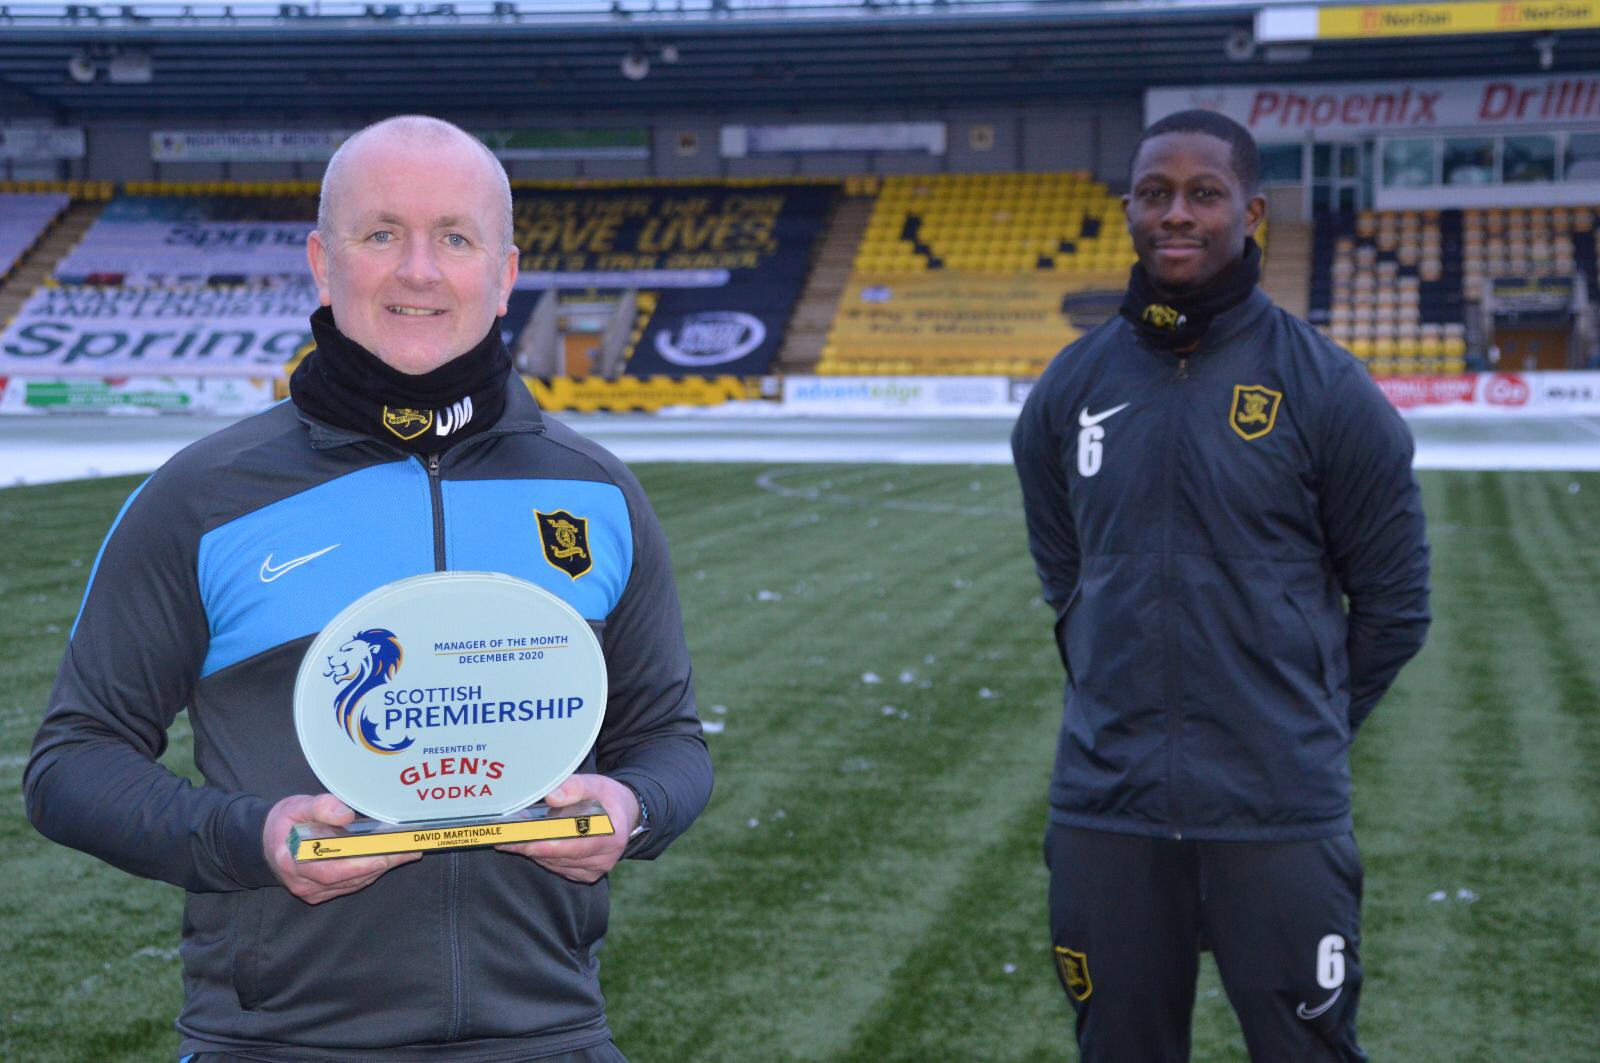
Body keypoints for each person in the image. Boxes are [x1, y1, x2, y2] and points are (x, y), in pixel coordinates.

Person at [24, 115, 712, 1062]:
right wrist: (247, 836)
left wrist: (633, 810)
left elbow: (670, 741)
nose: (419, 270)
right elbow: (71, 765)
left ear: (505, 273)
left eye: (456, 238)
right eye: (381, 233)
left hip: (550, 1035)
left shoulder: (594, 494)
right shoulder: (204, 495)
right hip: (277, 1042)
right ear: (321, 261)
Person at [1011, 110, 1430, 1062]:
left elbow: (1396, 608)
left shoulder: (1327, 390)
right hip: (1105, 807)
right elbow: (1067, 575)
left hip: (1276, 811)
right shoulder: (1069, 389)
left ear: (1253, 211)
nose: (1178, 214)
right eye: (1156, 193)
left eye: (1205, 194)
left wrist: (1298, 721)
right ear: (1127, 209)